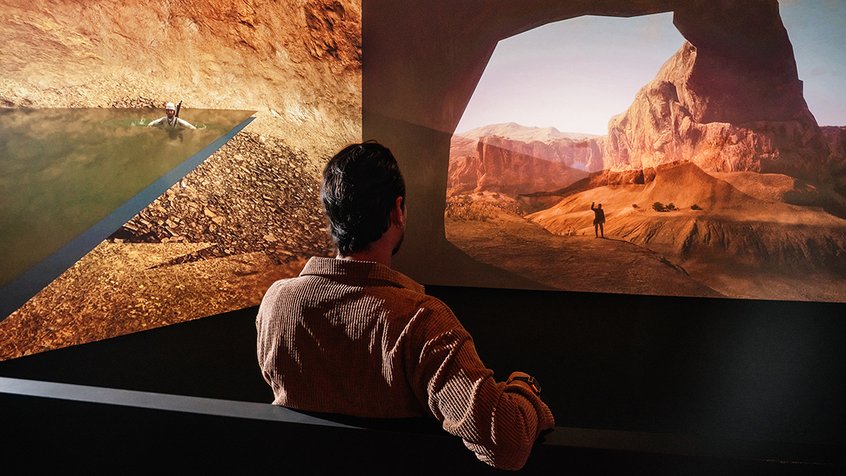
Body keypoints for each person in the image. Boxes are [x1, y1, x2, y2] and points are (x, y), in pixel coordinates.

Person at [256, 141, 555, 470]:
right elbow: (507, 443)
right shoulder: (421, 321)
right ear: (397, 210)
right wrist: (523, 388)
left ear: (332, 214)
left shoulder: (277, 303)